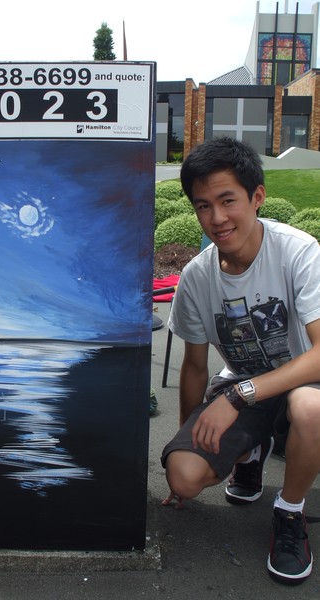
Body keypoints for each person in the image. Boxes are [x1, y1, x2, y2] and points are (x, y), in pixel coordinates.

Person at [160, 137, 320, 585]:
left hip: (307, 381)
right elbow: (193, 366)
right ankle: (251, 451)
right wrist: (187, 439)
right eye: (203, 206)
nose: (216, 218)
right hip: (249, 387)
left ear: (257, 197)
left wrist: (236, 397)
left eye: (227, 200)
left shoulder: (298, 252)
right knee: (184, 476)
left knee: (310, 408)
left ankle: (290, 513)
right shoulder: (195, 278)